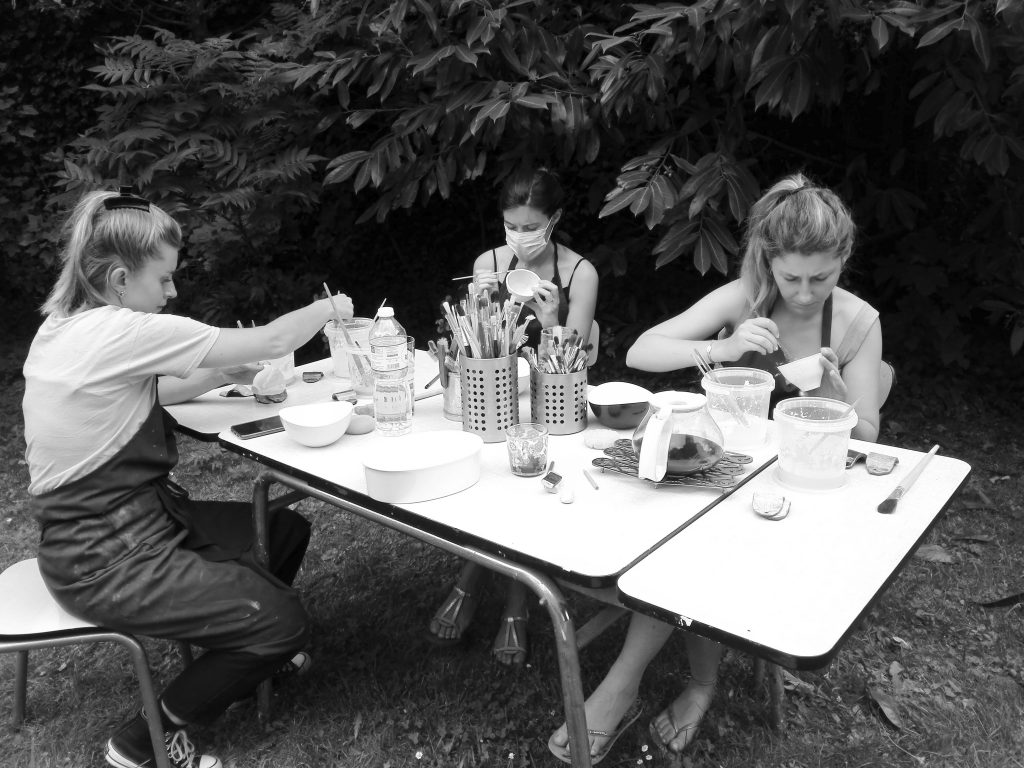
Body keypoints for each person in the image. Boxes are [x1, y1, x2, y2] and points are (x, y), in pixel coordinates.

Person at [547, 173, 885, 763]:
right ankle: (690, 680)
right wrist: (723, 350)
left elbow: (868, 435)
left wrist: (832, 392)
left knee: (693, 544)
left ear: (844, 260)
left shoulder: (859, 322)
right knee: (682, 534)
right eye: (790, 278)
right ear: (768, 263)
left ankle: (628, 686)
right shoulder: (745, 298)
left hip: (798, 492)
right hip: (721, 474)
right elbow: (640, 351)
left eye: (821, 278)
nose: (804, 294)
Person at [21, 189, 354, 768]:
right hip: (104, 553)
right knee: (284, 622)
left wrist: (229, 371)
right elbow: (276, 338)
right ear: (121, 279)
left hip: (134, 521)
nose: (173, 292)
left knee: (282, 532)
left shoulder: (66, 327)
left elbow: (155, 389)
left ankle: (240, 655)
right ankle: (144, 739)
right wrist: (330, 309)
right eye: (165, 279)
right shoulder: (121, 330)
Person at [428, 167, 599, 665]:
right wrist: (478, 308)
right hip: (495, 400)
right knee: (486, 478)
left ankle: (512, 600)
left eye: (530, 226)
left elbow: (576, 361)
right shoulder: (489, 262)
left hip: (556, 407)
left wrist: (552, 321)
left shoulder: (578, 272)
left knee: (530, 486)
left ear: (555, 220)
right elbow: (474, 349)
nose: (520, 237)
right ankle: (480, 578)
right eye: (511, 225)